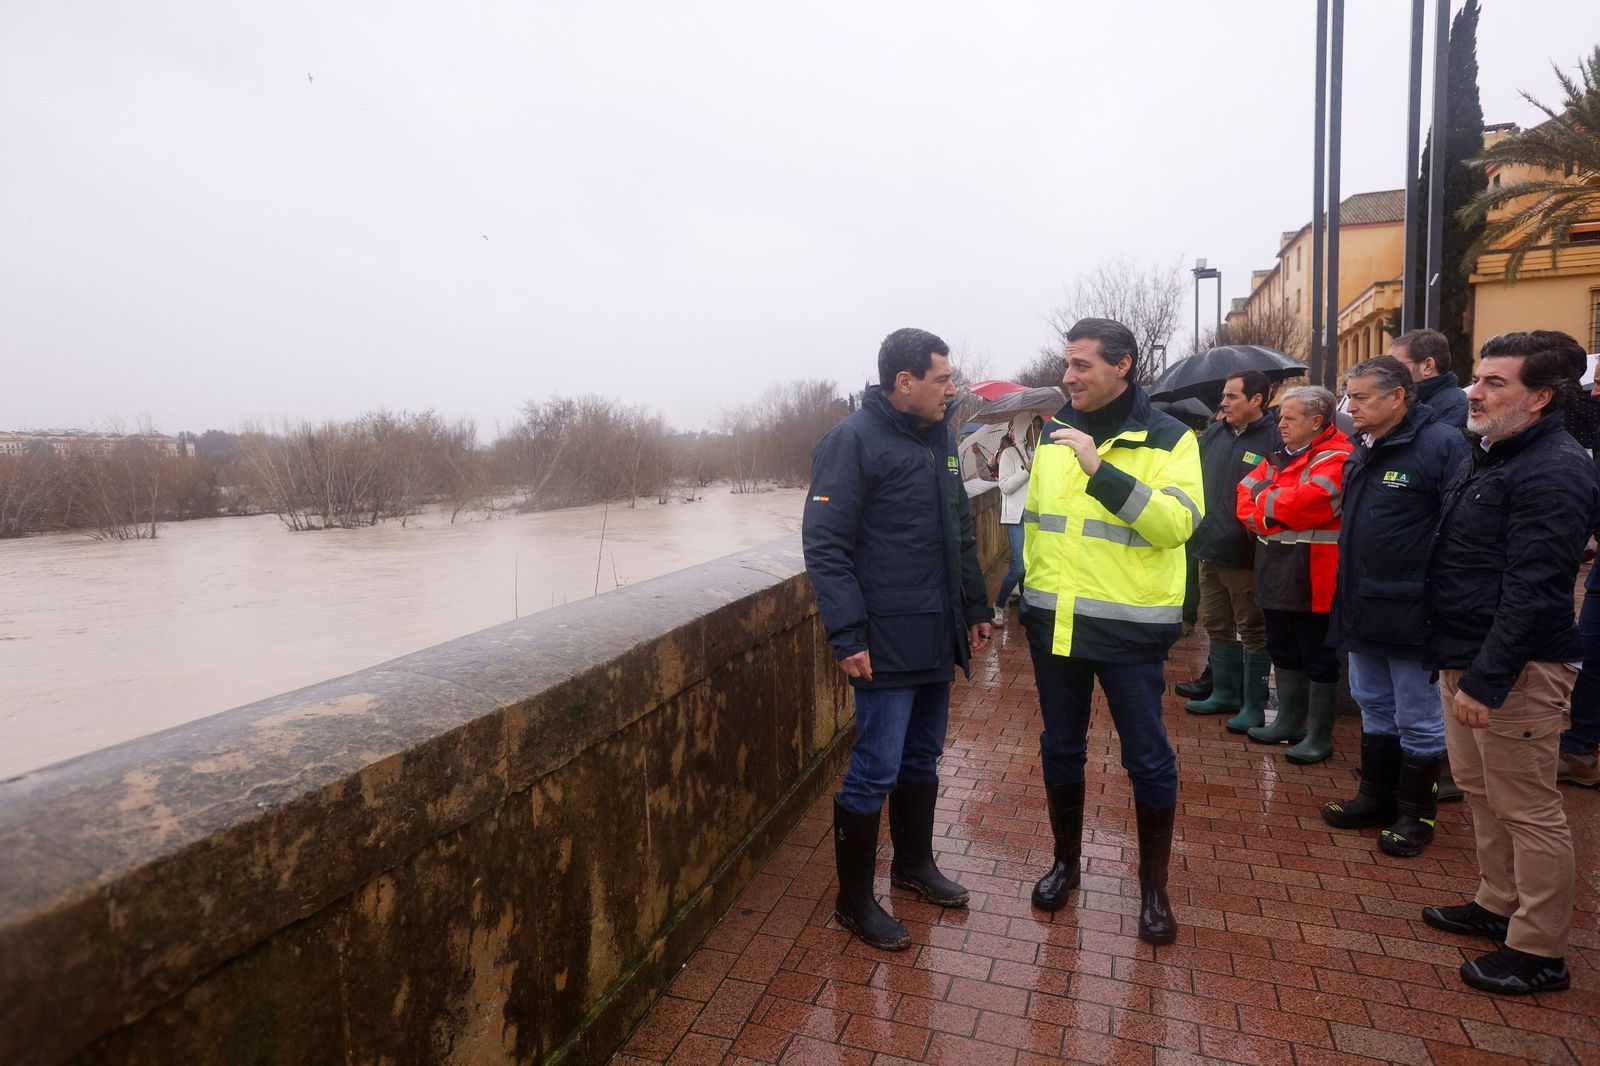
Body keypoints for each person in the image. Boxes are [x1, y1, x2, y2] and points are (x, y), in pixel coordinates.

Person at [802, 327, 993, 952]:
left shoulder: (939, 437)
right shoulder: (849, 442)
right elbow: (826, 547)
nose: (952, 388)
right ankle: (853, 902)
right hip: (882, 638)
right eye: (943, 379)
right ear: (904, 382)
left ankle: (913, 867)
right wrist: (847, 633)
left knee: (921, 758)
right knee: (874, 768)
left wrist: (974, 604)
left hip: (936, 632)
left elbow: (959, 526)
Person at [1422, 331, 1600, 995]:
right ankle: (1497, 903)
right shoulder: (1493, 453)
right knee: (1482, 792)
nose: (1475, 391)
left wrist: (1487, 682)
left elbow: (1535, 587)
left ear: (1540, 397)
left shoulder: (1554, 468)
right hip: (1467, 657)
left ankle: (1540, 948)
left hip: (1516, 671)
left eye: (1495, 382)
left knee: (1528, 807)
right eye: (1478, 378)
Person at [1018, 317, 1203, 945]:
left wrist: (1102, 471)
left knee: (1147, 759)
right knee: (1060, 749)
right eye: (1065, 365)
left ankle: (1154, 891)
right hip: (1057, 628)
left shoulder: (1172, 438)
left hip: (1128, 634)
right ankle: (1064, 864)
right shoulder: (1051, 437)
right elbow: (1040, 526)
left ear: (1122, 366)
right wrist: (1023, 595)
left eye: (1081, 365)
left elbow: (1177, 525)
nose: (1067, 377)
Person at [1321, 356, 1471, 857]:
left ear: (1398, 396)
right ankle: (1375, 798)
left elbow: (1460, 532)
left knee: (1419, 716)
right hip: (1362, 604)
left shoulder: (1441, 445)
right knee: (1373, 704)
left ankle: (1415, 814)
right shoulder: (1366, 445)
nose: (1351, 406)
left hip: (1412, 609)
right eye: (1349, 395)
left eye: (1361, 397)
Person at [1237, 386, 1353, 764]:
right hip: (1275, 569)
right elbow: (1243, 494)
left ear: (1316, 421)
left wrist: (1264, 507)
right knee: (1282, 647)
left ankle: (1318, 736)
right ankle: (1288, 721)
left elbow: (1310, 505)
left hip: (1314, 575)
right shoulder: (1280, 457)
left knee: (1317, 654)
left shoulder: (1338, 457)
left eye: (1289, 417)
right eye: (1280, 416)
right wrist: (1269, 512)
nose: (1280, 423)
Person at [1183, 371, 1282, 732]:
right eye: (1223, 396)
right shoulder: (1214, 434)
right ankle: (1224, 693)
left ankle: (1253, 705)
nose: (1223, 402)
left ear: (1257, 400)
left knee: (1252, 628)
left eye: (1231, 396)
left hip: (1244, 552)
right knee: (1217, 625)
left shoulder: (1274, 439)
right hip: (1207, 546)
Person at [992, 416, 1037, 622]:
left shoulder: (1038, 453)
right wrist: (1027, 469)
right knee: (1019, 566)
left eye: (1038, 426)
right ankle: (998, 605)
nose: (1035, 430)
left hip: (1036, 516)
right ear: (1021, 429)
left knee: (1033, 563)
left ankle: (1026, 603)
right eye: (1031, 426)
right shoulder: (1009, 454)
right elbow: (1005, 487)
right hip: (1016, 517)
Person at [1389, 327, 1469, 428]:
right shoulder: (1409, 400)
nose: (1389, 373)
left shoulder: (1456, 406)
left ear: (1427, 366)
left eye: (1395, 366)